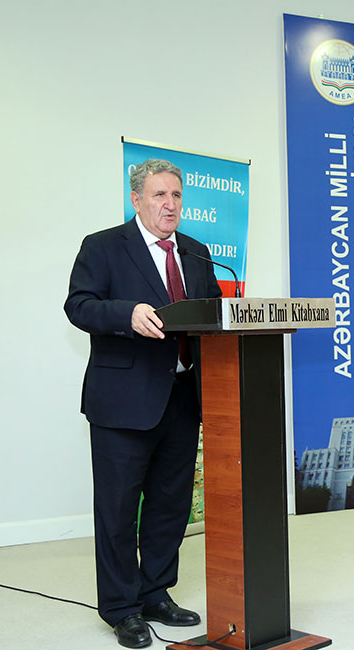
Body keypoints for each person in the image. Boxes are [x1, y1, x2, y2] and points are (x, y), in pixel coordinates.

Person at [64, 159, 222, 648]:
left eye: (176, 195)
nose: (170, 204)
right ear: (137, 199)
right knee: (117, 508)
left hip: (181, 396)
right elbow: (79, 305)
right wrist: (126, 313)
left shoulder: (195, 253)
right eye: (159, 195)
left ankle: (155, 593)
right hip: (123, 400)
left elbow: (213, 309)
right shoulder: (104, 246)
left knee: (170, 505)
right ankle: (121, 608)